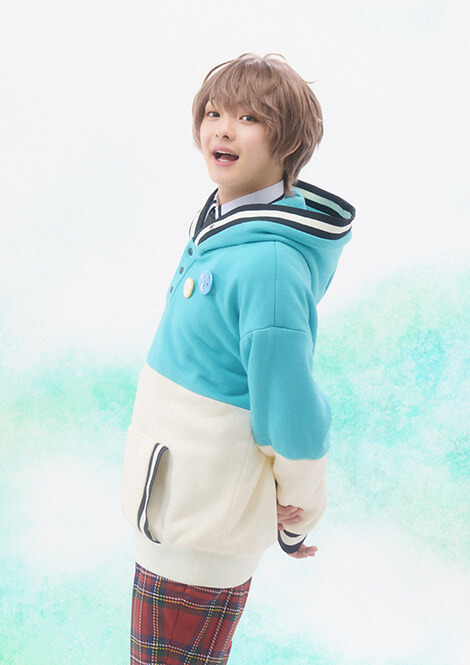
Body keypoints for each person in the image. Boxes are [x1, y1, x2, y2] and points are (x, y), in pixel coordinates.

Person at [121, 52, 355, 664]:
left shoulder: (267, 262)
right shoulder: (223, 224)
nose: (222, 130)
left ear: (290, 141)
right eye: (214, 113)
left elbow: (293, 415)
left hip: (200, 530)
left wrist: (298, 513)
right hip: (174, 510)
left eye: (249, 118)